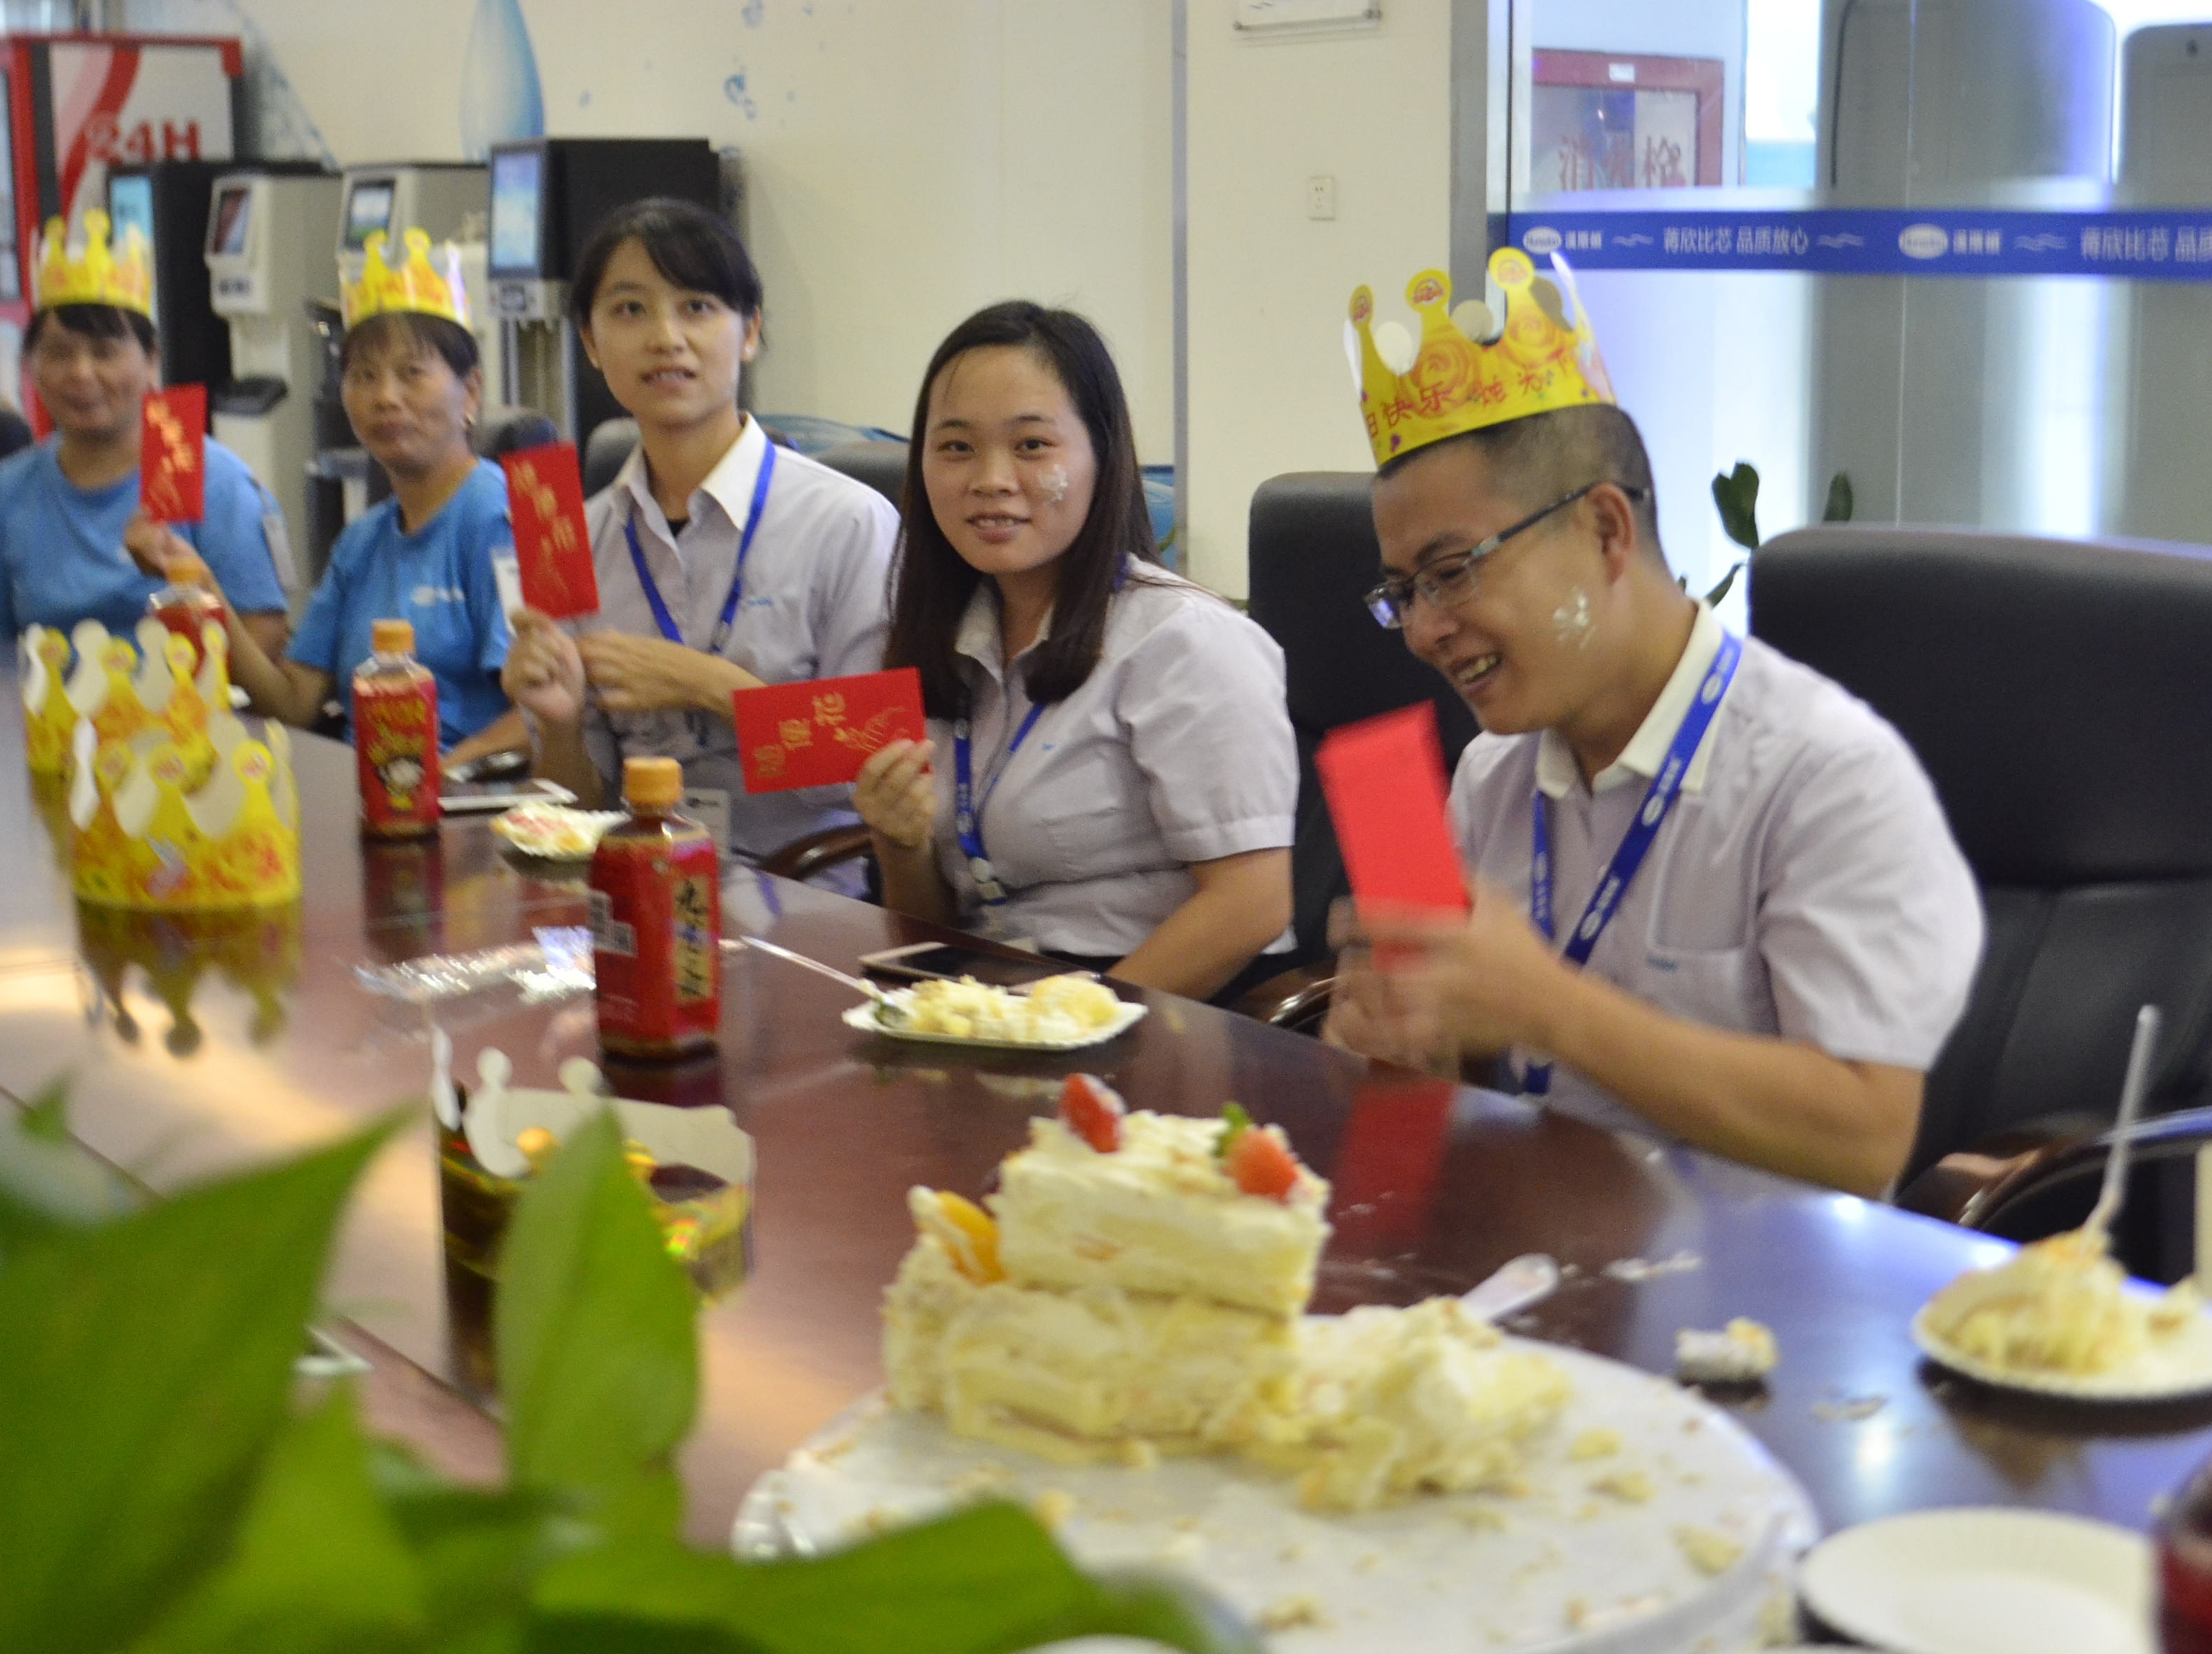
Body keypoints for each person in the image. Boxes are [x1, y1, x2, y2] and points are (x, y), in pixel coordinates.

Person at [1323, 252, 1983, 1198]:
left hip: (1756, 1273)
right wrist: (1412, 1041)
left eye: (1453, 572)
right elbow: (1473, 1079)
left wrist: (1547, 1006)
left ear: (1604, 531)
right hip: (1529, 1245)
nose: (1425, 630)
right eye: (1403, 592)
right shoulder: (1492, 776)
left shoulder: (1825, 774)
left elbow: (1865, 1140)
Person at [848, 303, 1295, 1000]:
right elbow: (935, 930)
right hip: (988, 1001)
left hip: (1151, 1013)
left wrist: (1069, 1023)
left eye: (1031, 445)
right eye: (956, 447)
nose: (990, 479)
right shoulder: (940, 638)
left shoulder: (1183, 640)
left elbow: (1254, 902)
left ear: (1102, 458)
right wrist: (900, 847)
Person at [502, 199, 898, 861]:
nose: (666, 337)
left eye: (697, 307)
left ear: (749, 332)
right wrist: (561, 727)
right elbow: (576, 817)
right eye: (631, 309)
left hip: (796, 893)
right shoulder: (572, 541)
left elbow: (876, 762)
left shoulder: (848, 522)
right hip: (633, 880)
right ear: (591, 343)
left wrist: (707, 685)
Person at [163, 229, 524, 769]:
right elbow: (294, 703)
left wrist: (437, 778)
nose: (385, 397)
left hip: (463, 796)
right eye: (363, 376)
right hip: (365, 788)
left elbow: (542, 712)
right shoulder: (361, 541)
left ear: (471, 391)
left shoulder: (496, 517)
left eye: (411, 374)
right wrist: (206, 593)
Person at [0, 213, 289, 648]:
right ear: (31, 366)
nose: (81, 373)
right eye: (59, 353)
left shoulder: (215, 481)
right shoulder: (6, 493)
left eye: (104, 353)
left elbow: (266, 644)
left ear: (151, 360)